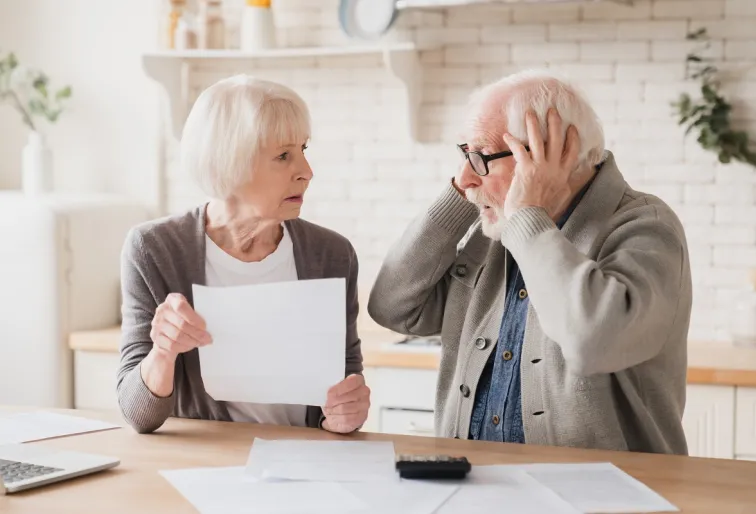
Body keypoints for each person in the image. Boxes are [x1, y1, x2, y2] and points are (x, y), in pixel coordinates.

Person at [367, 69, 692, 454]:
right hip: (473, 487)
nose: (465, 176)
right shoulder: (496, 232)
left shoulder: (645, 226)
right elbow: (392, 307)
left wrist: (527, 218)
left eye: (481, 156)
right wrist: (462, 198)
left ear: (554, 156)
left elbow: (594, 342)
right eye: (464, 154)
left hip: (598, 496)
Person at [117, 75, 370, 435]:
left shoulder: (332, 254)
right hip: (206, 468)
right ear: (228, 163)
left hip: (308, 463)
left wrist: (348, 412)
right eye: (284, 156)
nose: (307, 173)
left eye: (303, 150)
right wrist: (163, 351)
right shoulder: (153, 249)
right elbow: (137, 415)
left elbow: (345, 378)